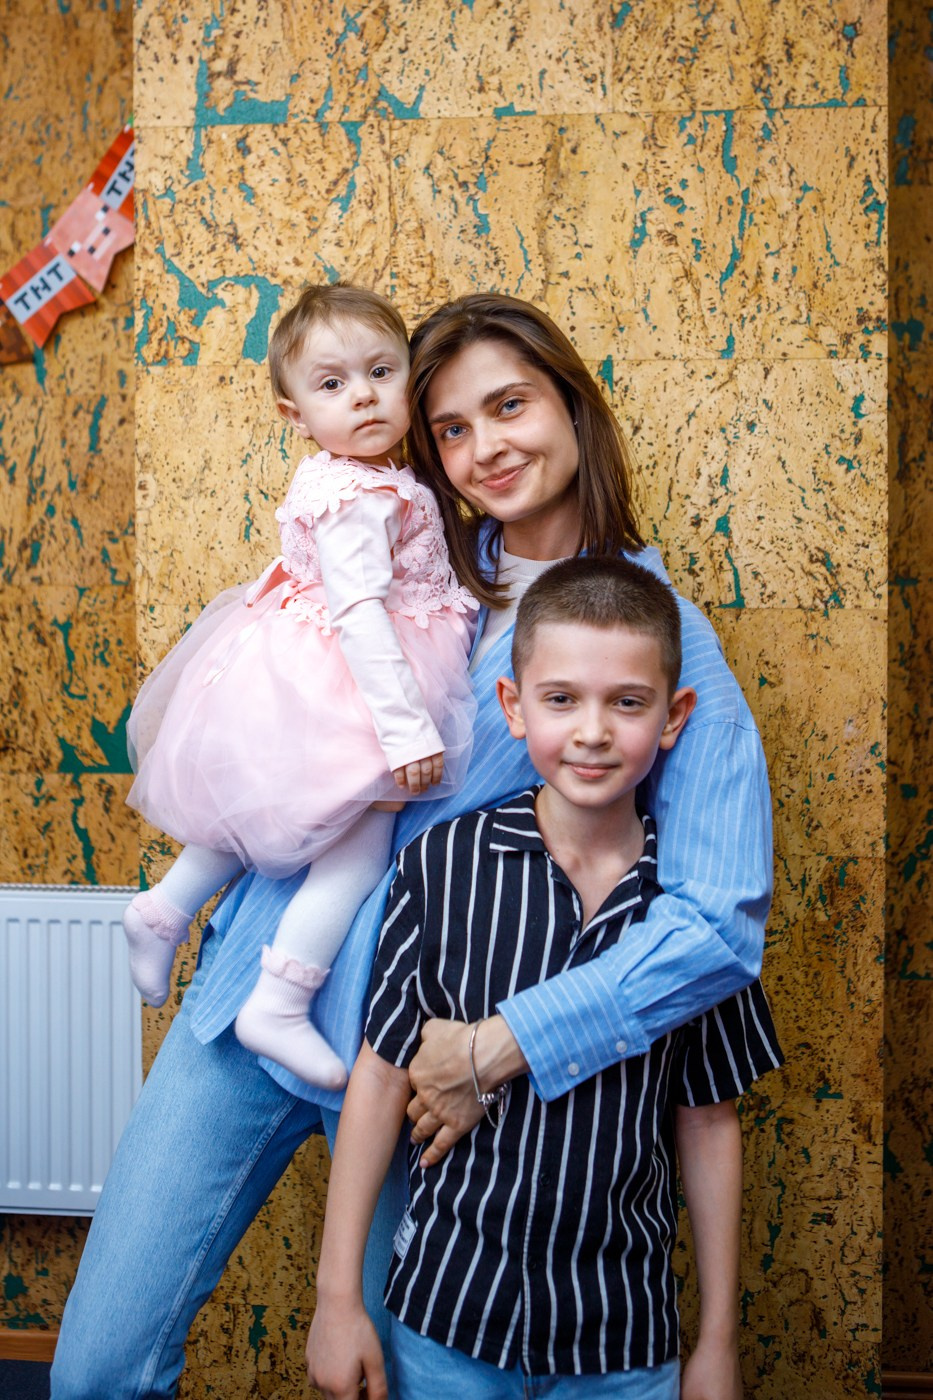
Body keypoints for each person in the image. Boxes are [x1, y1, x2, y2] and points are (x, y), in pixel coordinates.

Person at [50, 294, 772, 1400]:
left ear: (574, 405)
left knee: (388, 1373)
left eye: (512, 404)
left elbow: (716, 926)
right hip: (258, 996)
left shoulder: (663, 646)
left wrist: (504, 1042)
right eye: (450, 427)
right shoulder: (393, 551)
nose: (485, 448)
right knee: (100, 1363)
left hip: (432, 1071)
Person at [306, 556, 783, 1400]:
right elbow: (379, 1077)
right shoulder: (444, 865)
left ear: (673, 718)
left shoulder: (687, 917)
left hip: (620, 1340)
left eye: (626, 703)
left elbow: (708, 1125)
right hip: (447, 1322)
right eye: (561, 699)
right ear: (513, 709)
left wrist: (717, 1344)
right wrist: (338, 1299)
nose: (592, 731)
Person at [121, 282, 477, 1088]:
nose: (363, 395)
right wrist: (408, 732)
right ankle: (278, 1002)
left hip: (304, 677)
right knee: (351, 852)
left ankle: (160, 910)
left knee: (256, 809)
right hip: (355, 685)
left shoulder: (348, 477)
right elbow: (359, 613)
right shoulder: (362, 495)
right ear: (294, 416)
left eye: (382, 371)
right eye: (331, 384)